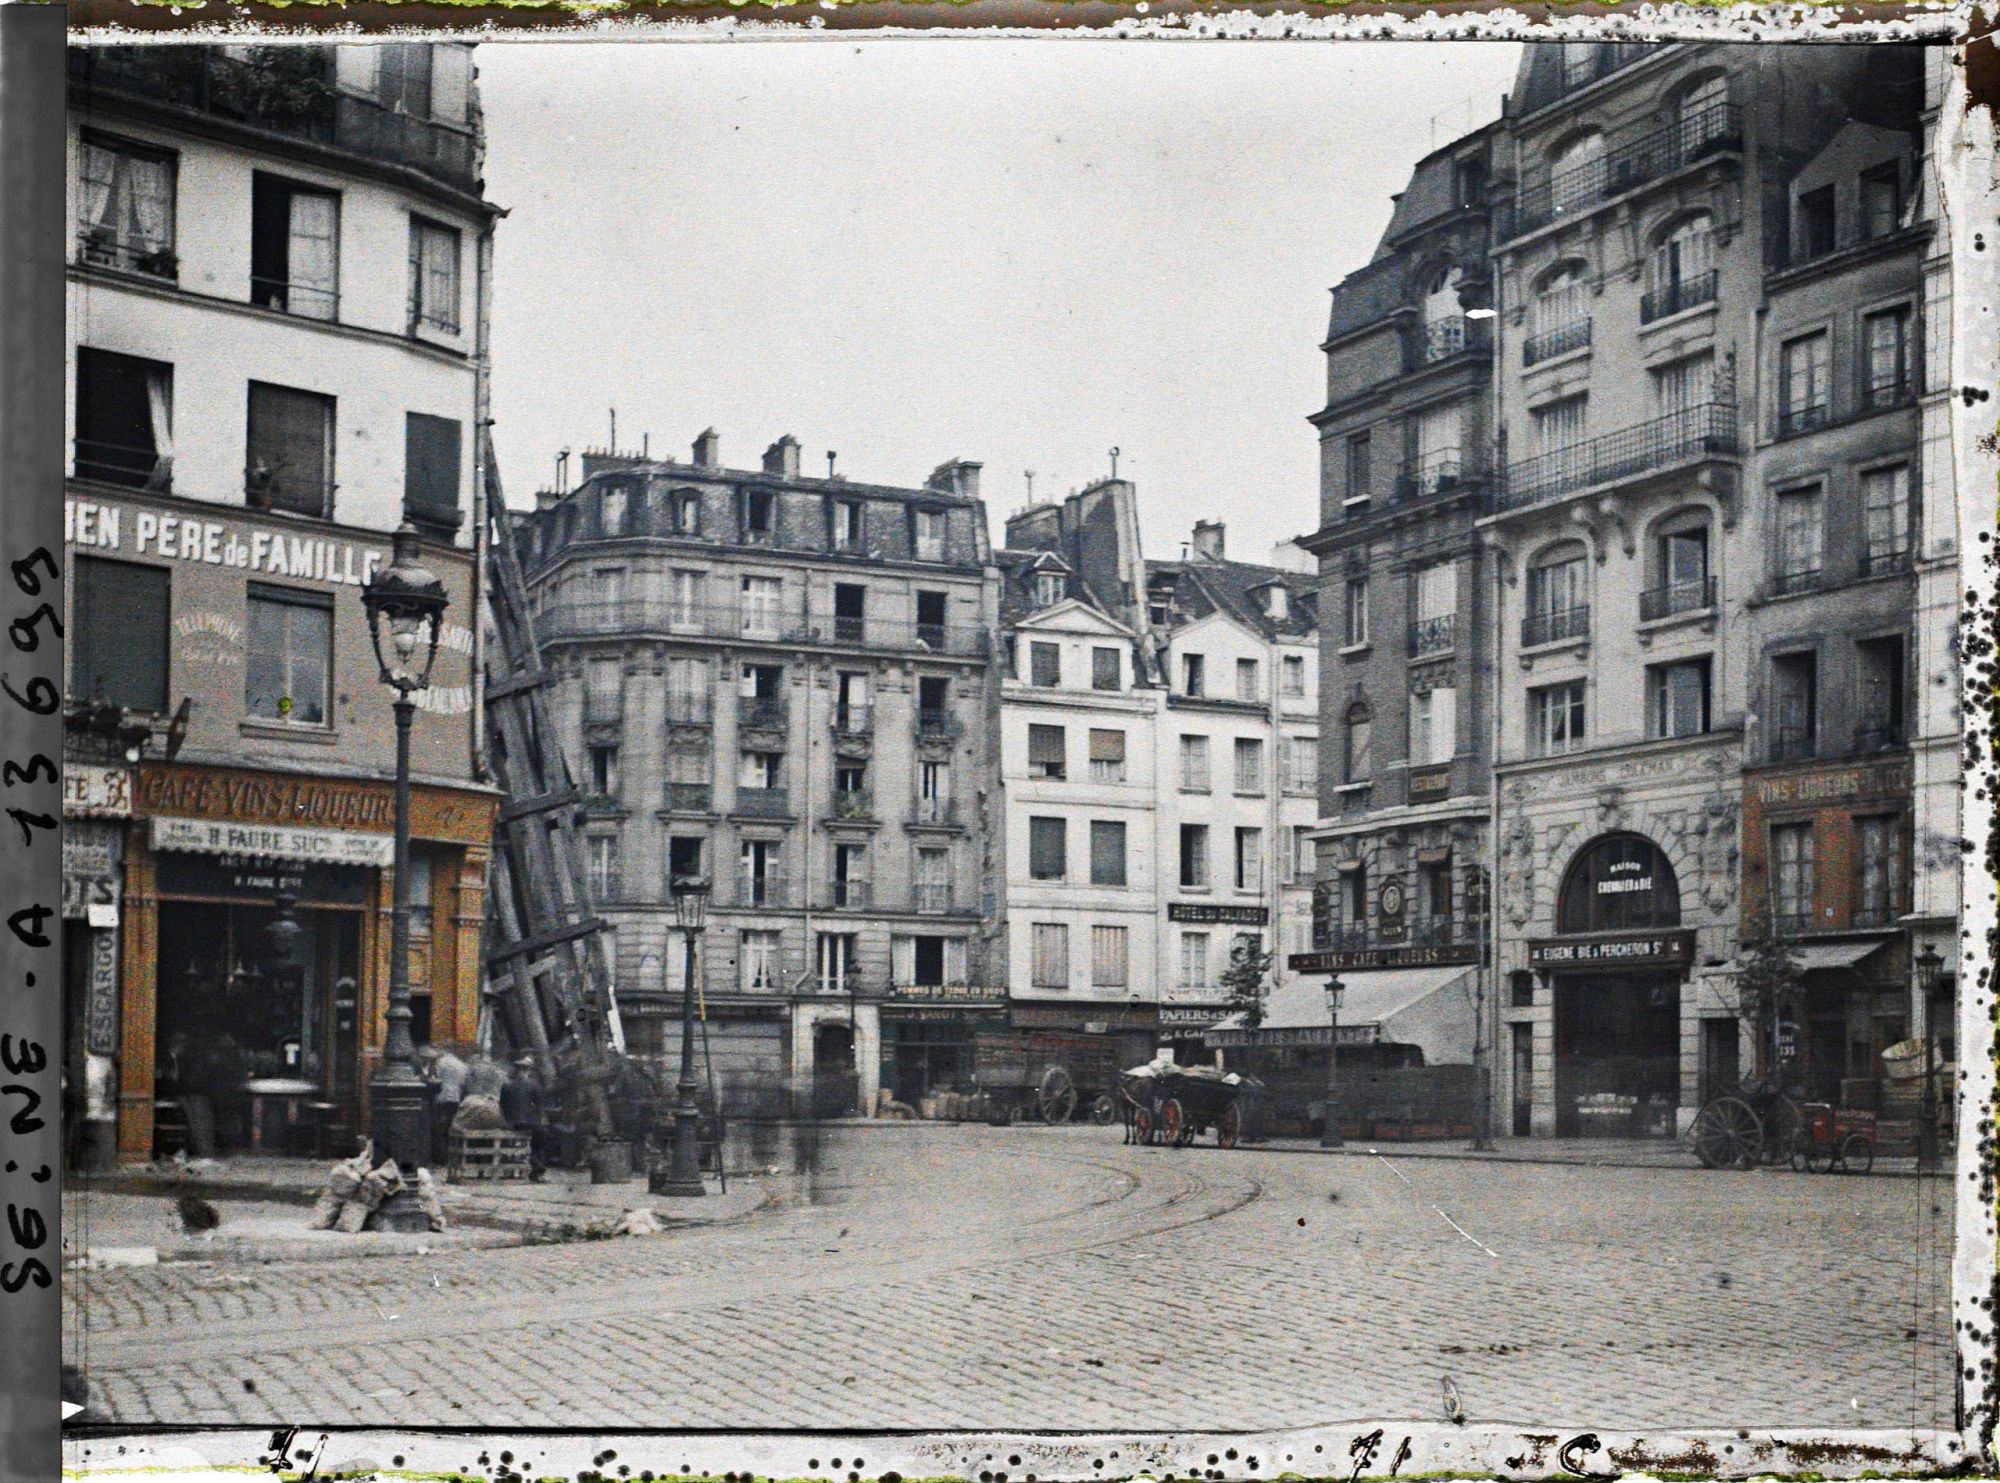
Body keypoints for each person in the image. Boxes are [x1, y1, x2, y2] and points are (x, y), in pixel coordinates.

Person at [419, 1044, 471, 1167]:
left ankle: (440, 1159)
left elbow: (434, 1080)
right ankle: (451, 1158)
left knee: (439, 1130)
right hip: (455, 1099)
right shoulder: (462, 1065)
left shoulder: (440, 1063)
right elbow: (464, 1084)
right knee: (451, 1129)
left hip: (441, 1098)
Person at [499, 1055, 548, 1181]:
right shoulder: (533, 1085)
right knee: (542, 1137)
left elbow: (502, 1106)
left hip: (510, 1124)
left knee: (532, 1138)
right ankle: (538, 1169)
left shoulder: (506, 1086)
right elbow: (540, 1106)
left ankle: (516, 1168)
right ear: (527, 1071)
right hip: (527, 1124)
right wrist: (540, 1119)